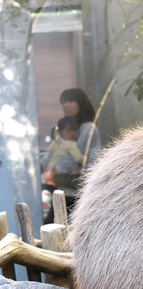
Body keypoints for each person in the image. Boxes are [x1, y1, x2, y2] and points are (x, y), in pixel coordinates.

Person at [43, 88, 101, 223]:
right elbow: (49, 156)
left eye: (70, 101)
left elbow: (91, 159)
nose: (65, 105)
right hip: (61, 189)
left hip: (76, 191)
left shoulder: (88, 128)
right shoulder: (64, 127)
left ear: (81, 103)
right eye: (63, 102)